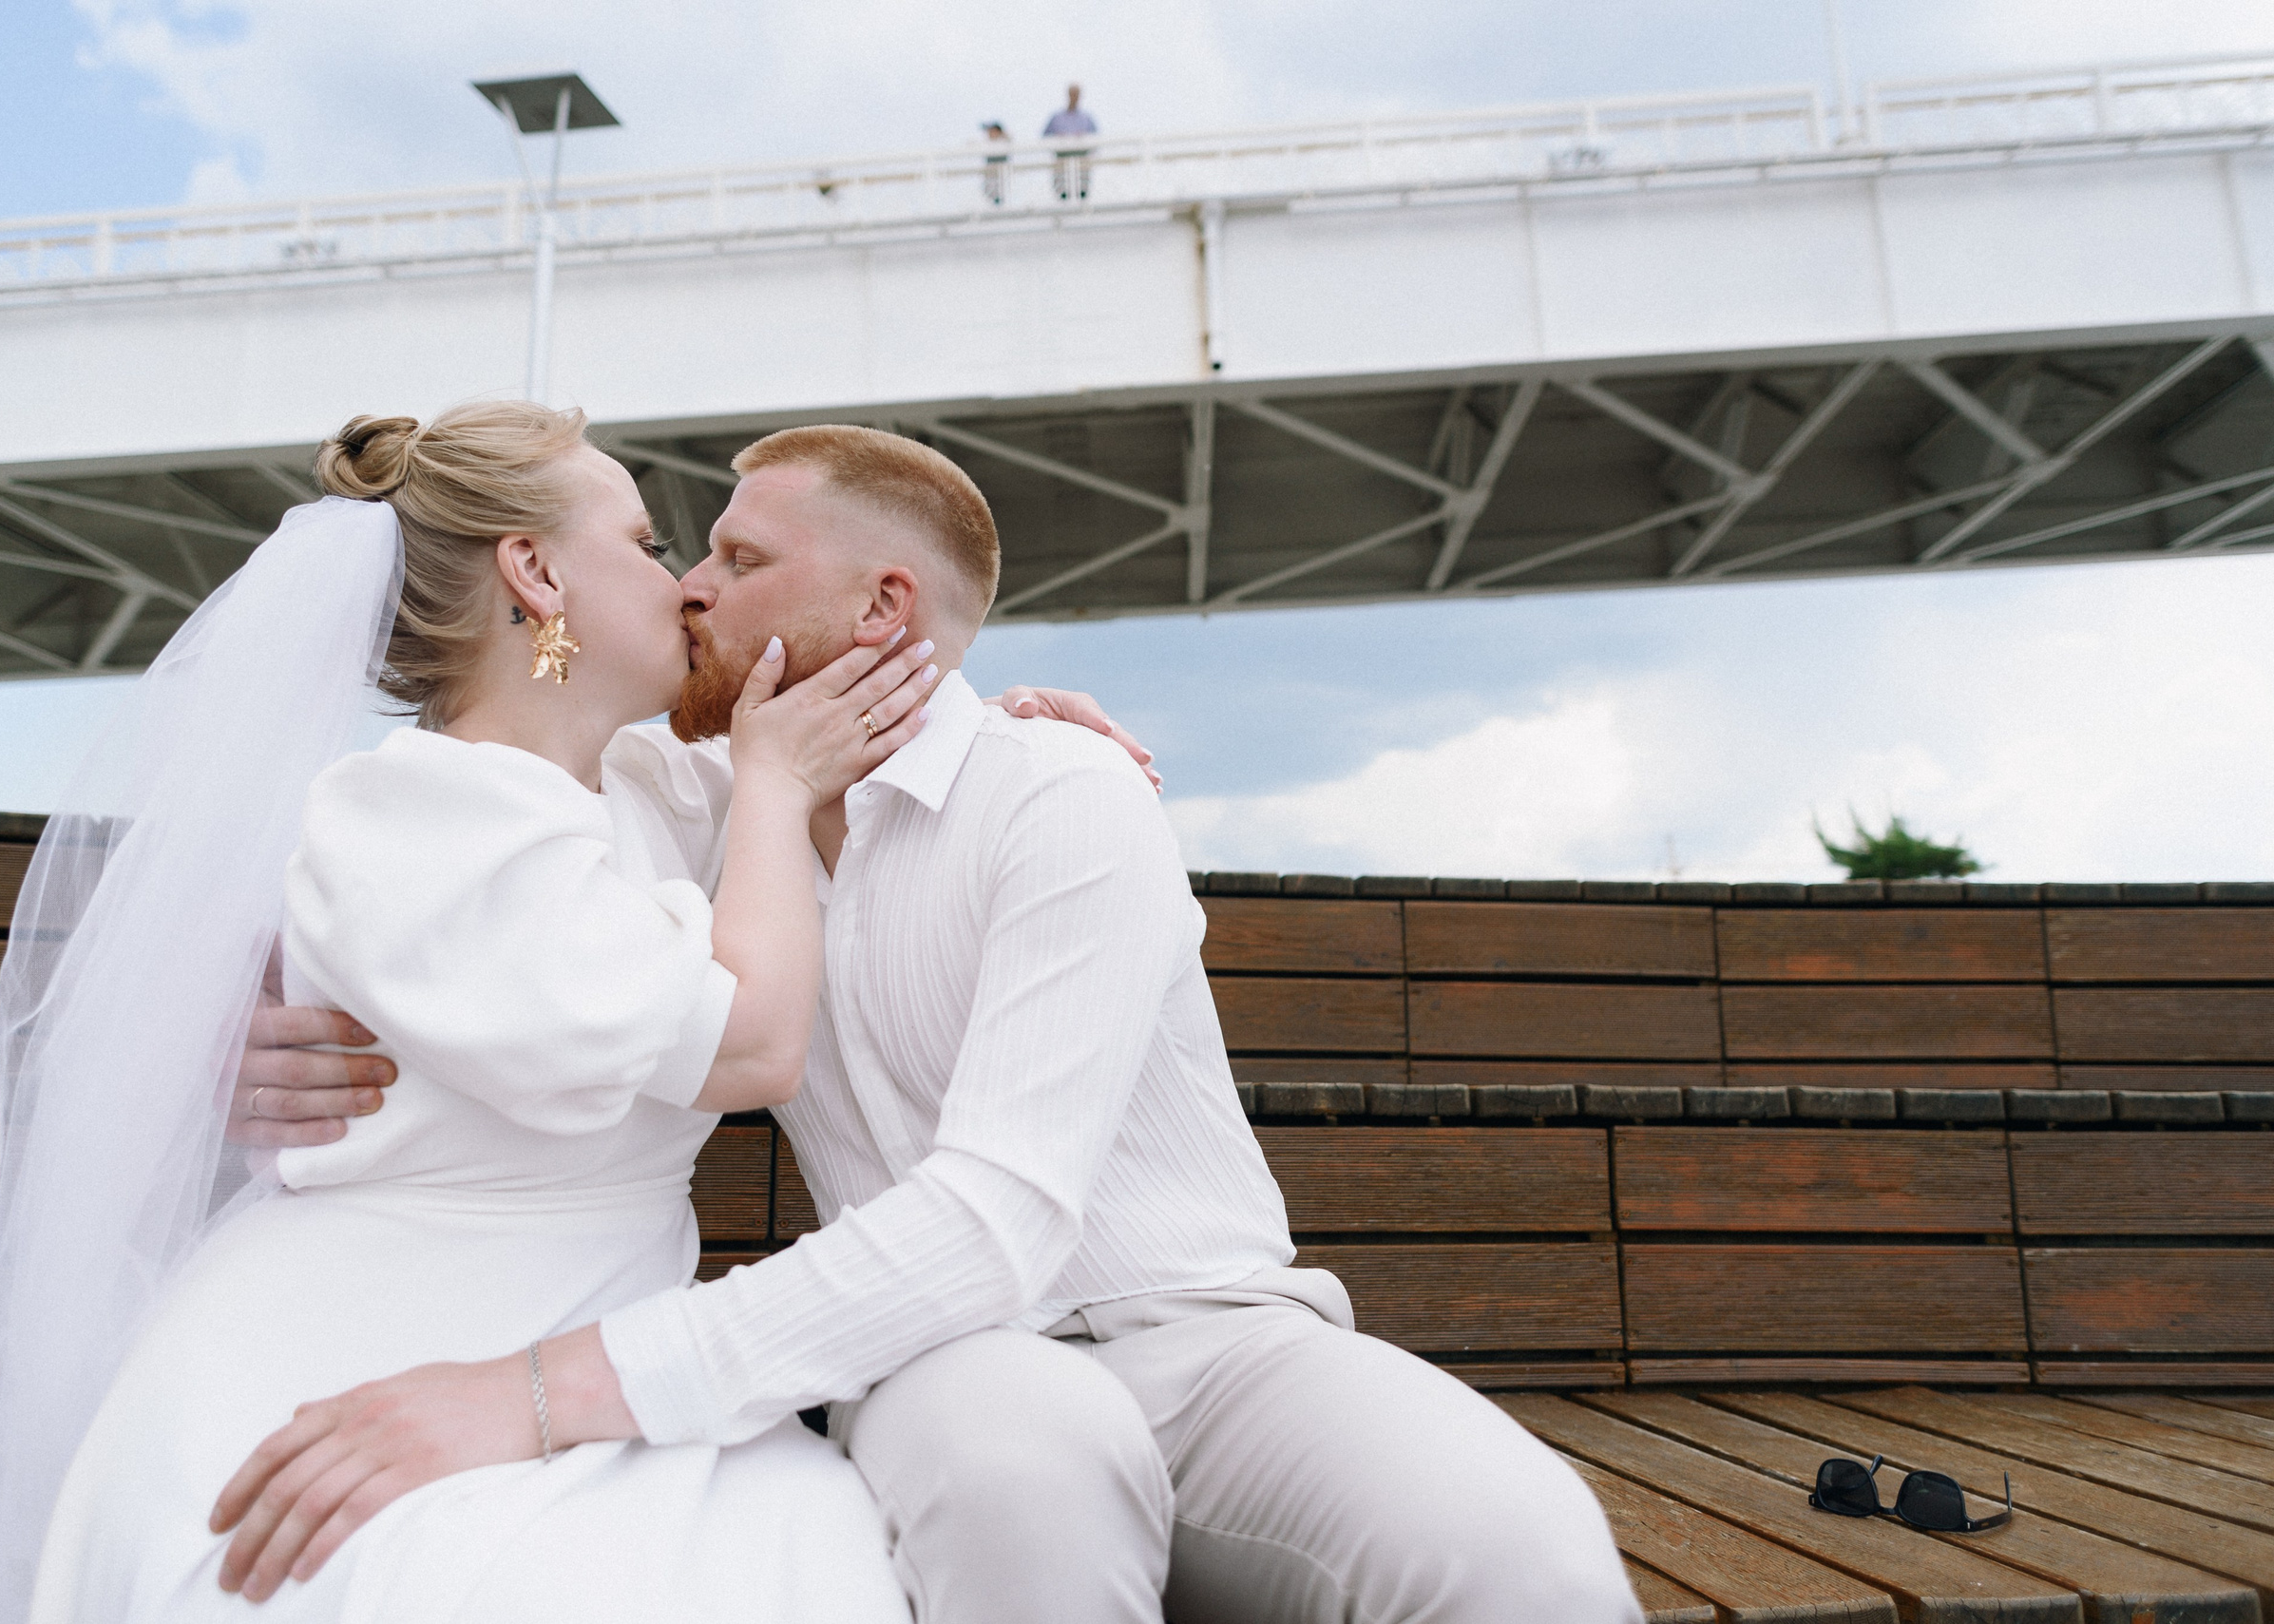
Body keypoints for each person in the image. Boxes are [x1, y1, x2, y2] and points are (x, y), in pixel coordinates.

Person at [220, 426, 1644, 1624]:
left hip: (1217, 1339)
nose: (693, 592)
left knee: (1530, 1552)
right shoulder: (691, 794)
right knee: (1028, 1476)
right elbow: (455, 829)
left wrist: (542, 1390)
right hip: (933, 1358)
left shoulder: (1061, 794)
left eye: (738, 559)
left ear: (883, 608)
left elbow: (1000, 1215)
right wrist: (258, 1023)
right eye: (686, 551)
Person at [0, 401, 1144, 1624]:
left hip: (591, 1340)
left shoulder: (647, 786)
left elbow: (845, 740)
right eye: (643, 538)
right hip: (370, 1335)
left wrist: (999, 736)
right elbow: (755, 1040)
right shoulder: (413, 812)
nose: (683, 584)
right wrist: (779, 787)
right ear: (536, 570)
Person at [1043, 84, 1096, 201]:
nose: (1074, 97)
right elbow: (1044, 137)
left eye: (1077, 94)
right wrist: (1058, 138)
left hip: (1081, 164)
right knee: (1062, 194)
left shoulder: (1086, 118)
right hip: (1062, 163)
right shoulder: (1056, 117)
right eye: (1072, 94)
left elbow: (1096, 139)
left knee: (1082, 193)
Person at [978, 120, 1010, 206]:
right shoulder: (987, 144)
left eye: (991, 131)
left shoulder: (1004, 143)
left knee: (1000, 191)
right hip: (990, 175)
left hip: (1001, 174)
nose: (989, 133)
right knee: (990, 193)